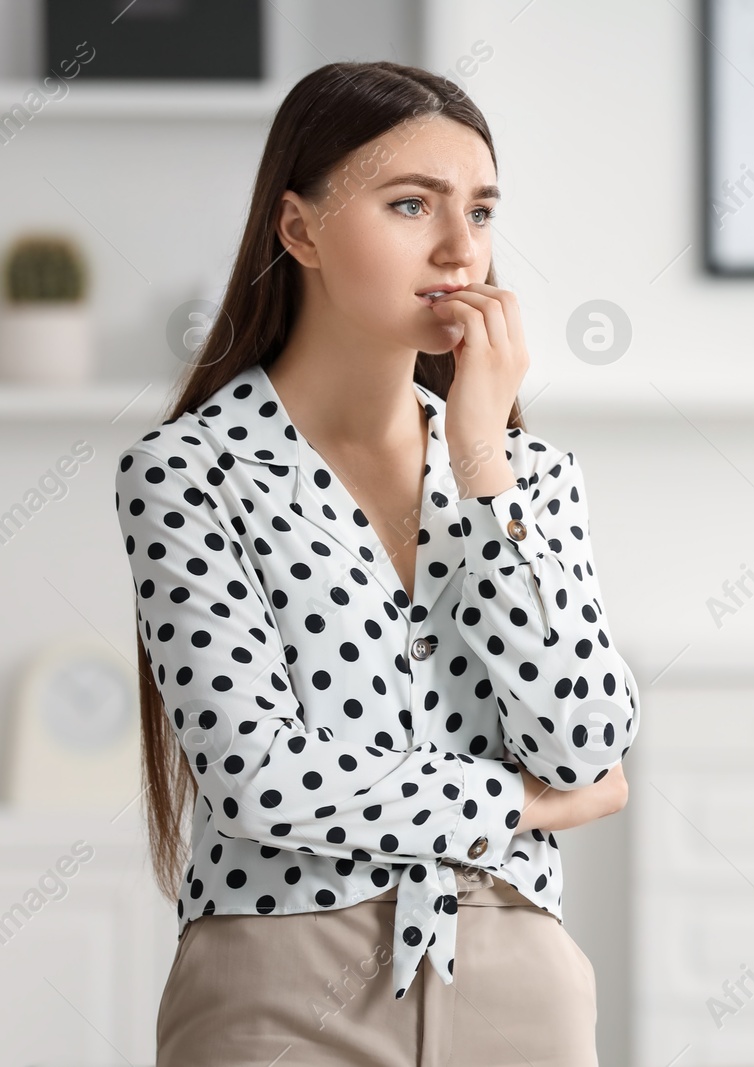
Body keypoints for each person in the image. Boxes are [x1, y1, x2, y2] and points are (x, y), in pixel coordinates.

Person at [113, 60, 639, 1066]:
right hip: (277, 980)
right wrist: (518, 803)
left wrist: (485, 465)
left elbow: (582, 743)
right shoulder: (188, 472)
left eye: (480, 211)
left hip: (515, 971)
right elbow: (260, 778)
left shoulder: (531, 475)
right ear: (298, 229)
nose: (459, 249)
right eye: (411, 205)